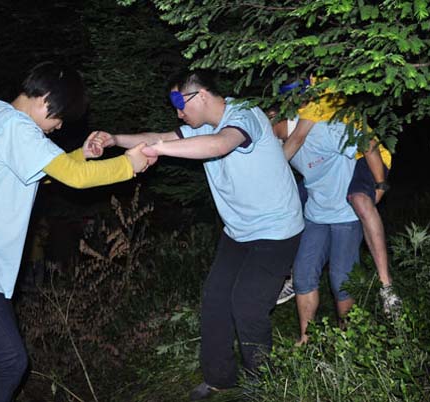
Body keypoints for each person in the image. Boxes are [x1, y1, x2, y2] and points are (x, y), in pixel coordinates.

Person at [0, 61, 152, 402]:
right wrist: (128, 165)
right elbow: (73, 178)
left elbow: (45, 172)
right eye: (59, 119)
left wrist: (83, 155)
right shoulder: (15, 126)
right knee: (9, 361)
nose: (57, 128)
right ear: (47, 100)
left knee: (5, 360)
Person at [95, 70, 304, 400]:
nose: (178, 113)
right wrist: (116, 140)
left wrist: (160, 150)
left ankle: (262, 382)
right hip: (238, 231)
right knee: (216, 299)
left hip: (276, 230)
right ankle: (220, 378)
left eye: (181, 105)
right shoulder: (201, 124)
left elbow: (220, 145)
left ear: (201, 96)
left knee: (247, 304)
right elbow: (157, 135)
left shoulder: (244, 115)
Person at [275, 78, 401, 317]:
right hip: (326, 189)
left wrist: (380, 185)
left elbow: (298, 137)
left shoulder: (318, 99)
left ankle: (386, 284)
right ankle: (292, 273)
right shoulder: (299, 110)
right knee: (287, 203)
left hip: (370, 155)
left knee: (361, 202)